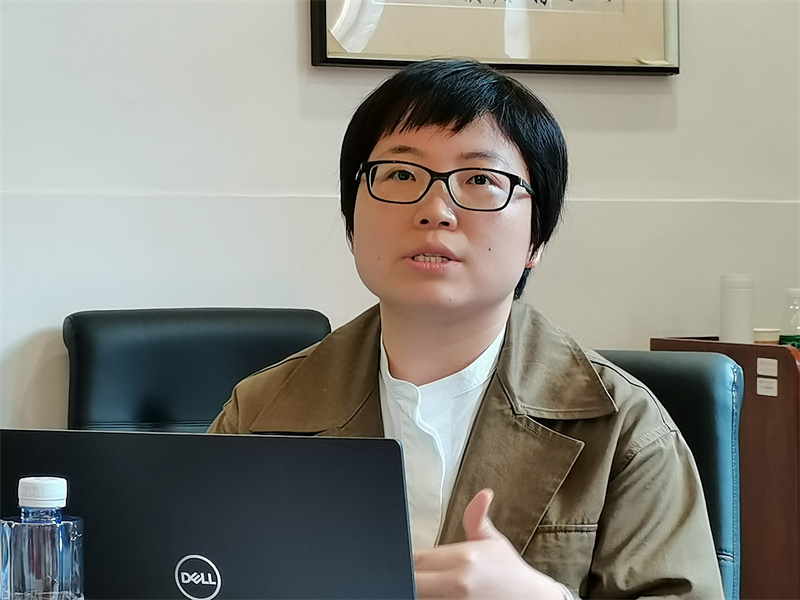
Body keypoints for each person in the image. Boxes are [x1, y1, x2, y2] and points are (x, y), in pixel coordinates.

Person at [208, 59, 724, 599]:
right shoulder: (257, 414)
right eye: (400, 174)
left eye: (480, 180)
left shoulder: (624, 430)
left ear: (536, 240)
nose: (435, 210)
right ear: (352, 221)